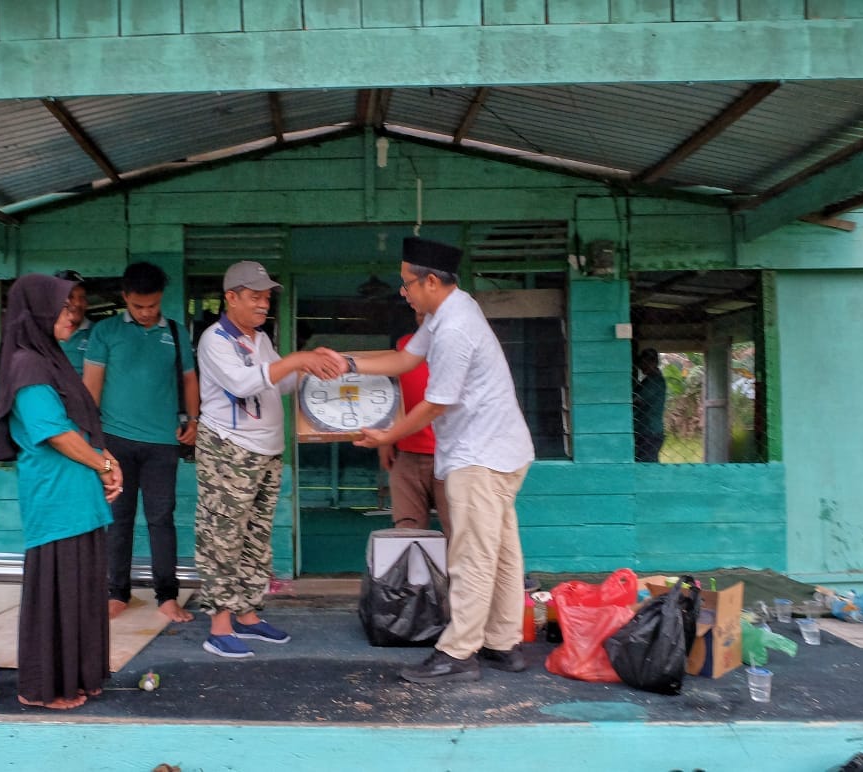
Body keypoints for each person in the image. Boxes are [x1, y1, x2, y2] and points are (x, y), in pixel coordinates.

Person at [337, 237, 536, 684]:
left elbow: (436, 403)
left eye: (407, 282)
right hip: (497, 451)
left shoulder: (455, 328)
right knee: (500, 551)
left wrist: (388, 434)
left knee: (472, 555)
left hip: (480, 456)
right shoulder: (448, 311)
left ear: (431, 280)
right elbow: (404, 358)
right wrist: (345, 362)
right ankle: (502, 644)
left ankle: (458, 653)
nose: (402, 291)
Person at [194, 260, 340, 659]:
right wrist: (296, 358)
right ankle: (219, 625)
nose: (263, 305)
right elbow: (243, 383)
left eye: (265, 298)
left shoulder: (257, 339)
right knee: (222, 537)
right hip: (229, 450)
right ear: (230, 297)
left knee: (256, 537)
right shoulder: (215, 340)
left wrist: (312, 369)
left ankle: (248, 615)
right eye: (255, 297)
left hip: (265, 449)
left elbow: (278, 381)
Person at [0, 273, 122, 709]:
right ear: (38, 312)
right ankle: (45, 687)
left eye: (75, 306)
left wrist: (108, 464)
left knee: (82, 593)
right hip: (55, 500)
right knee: (57, 594)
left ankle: (79, 677)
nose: (73, 315)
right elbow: (56, 434)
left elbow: (82, 428)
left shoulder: (52, 361)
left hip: (78, 499)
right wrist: (103, 463)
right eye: (64, 307)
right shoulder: (28, 364)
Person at [83, 262, 199, 624]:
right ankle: (117, 593)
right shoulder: (105, 333)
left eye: (153, 305)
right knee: (118, 519)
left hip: (163, 442)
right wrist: (94, 442)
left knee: (161, 519)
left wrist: (193, 421)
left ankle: (167, 596)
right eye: (138, 306)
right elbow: (91, 388)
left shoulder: (177, 334)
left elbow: (190, 380)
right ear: (125, 299)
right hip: (115, 441)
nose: (147, 313)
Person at [379, 311, 450, 538]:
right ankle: (412, 575)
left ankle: (456, 576)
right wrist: (386, 439)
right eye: (419, 309)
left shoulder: (457, 345)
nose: (423, 314)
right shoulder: (405, 345)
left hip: (451, 455)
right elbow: (390, 394)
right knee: (407, 530)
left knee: (458, 531)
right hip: (407, 454)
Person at [54, 269, 93, 375]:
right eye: (70, 297)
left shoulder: (98, 334)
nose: (77, 303)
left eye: (82, 297)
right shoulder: (39, 334)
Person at [633, 347, 667, 462]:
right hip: (648, 430)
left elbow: (636, 400)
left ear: (652, 363)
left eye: (643, 362)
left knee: (646, 463)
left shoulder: (654, 381)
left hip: (649, 431)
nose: (641, 366)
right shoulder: (650, 380)